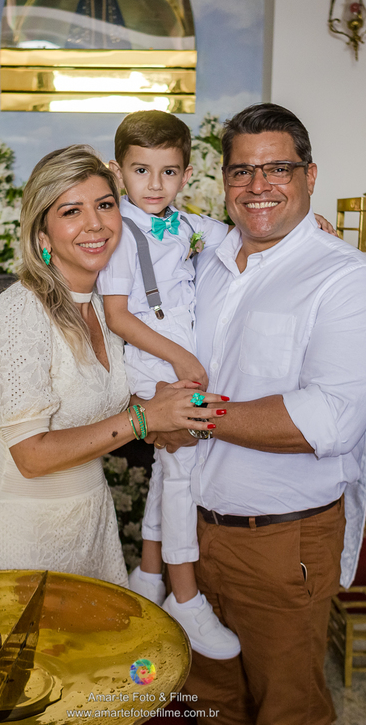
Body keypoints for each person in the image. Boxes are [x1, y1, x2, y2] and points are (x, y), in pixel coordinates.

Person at [148, 104, 366, 724]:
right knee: (203, 704)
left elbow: (331, 419)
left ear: (311, 176)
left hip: (282, 543)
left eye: (278, 168)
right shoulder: (199, 261)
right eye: (241, 172)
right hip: (190, 534)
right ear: (224, 181)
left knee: (287, 707)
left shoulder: (348, 280)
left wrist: (191, 412)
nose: (258, 186)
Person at [0, 144, 224, 584]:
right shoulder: (20, 310)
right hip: (22, 538)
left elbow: (123, 412)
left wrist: (172, 413)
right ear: (42, 235)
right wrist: (144, 419)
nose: (95, 224)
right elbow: (31, 456)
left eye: (104, 205)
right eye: (71, 212)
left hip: (91, 530)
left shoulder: (105, 310)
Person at [96, 111, 238, 659]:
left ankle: (149, 574)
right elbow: (118, 317)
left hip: (180, 353)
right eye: (141, 171)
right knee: (185, 471)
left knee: (170, 467)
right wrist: (181, 357)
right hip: (153, 359)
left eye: (168, 172)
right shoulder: (118, 233)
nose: (155, 186)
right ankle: (185, 593)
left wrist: (311, 224)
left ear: (186, 173)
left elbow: (239, 236)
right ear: (118, 171)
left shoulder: (185, 225)